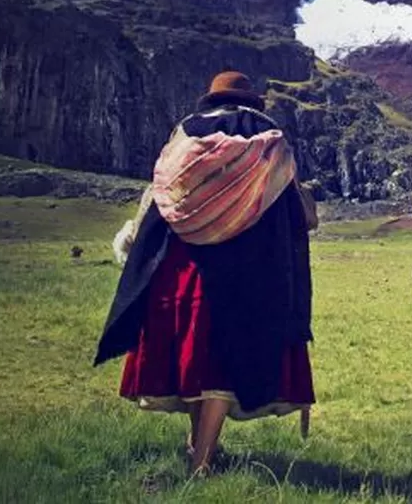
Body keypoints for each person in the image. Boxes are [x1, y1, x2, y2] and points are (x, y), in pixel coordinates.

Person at [94, 71, 316, 475]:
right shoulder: (272, 139)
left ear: (211, 99)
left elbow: (161, 193)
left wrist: (134, 241)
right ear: (251, 101)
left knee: (197, 353)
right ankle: (201, 459)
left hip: (187, 265)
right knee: (225, 361)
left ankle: (199, 449)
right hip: (252, 269)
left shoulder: (185, 135)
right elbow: (298, 212)